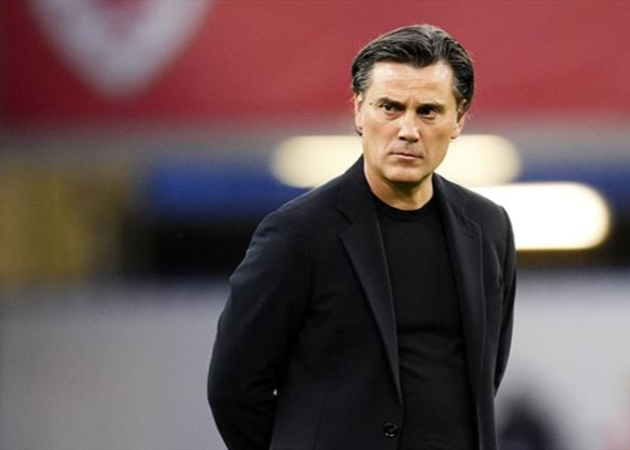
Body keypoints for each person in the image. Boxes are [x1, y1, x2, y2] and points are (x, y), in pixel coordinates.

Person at [208, 24, 516, 450]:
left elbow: (486, 375)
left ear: (459, 119)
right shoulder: (297, 233)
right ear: (358, 109)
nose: (408, 129)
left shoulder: (488, 227)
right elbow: (234, 388)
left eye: (428, 111)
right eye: (390, 107)